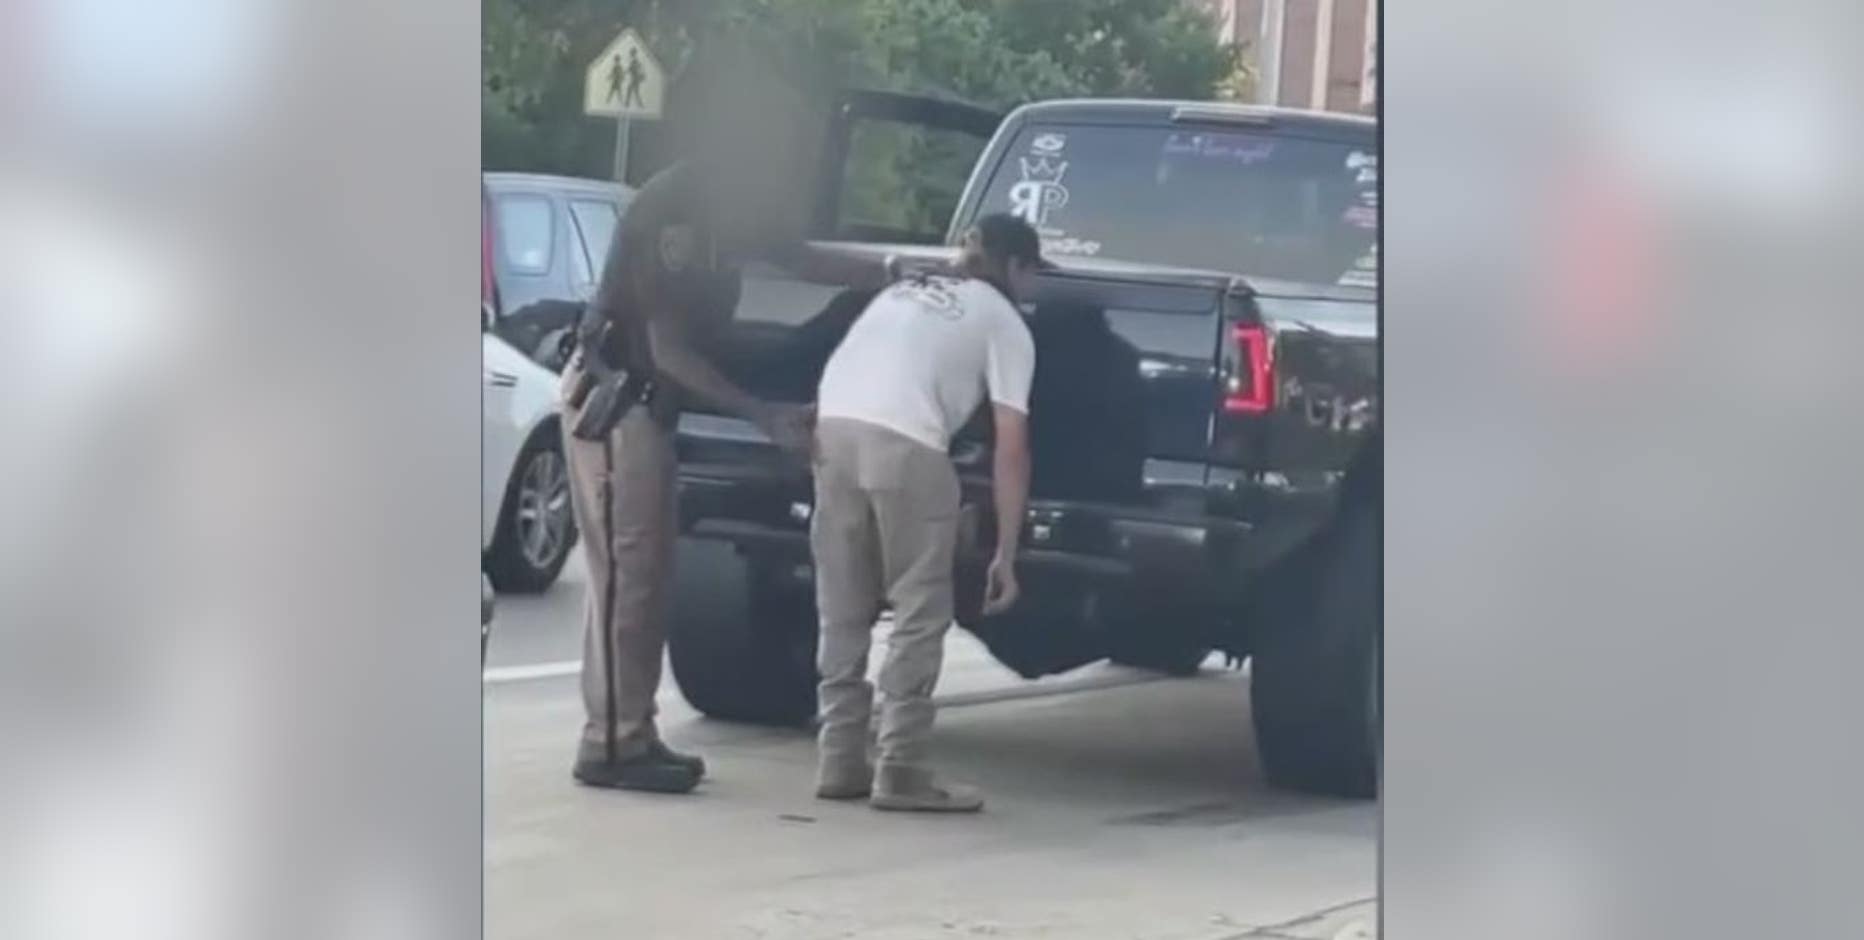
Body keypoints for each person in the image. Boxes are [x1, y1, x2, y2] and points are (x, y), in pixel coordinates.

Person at [562, 160, 883, 794]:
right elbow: (667, 350)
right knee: (627, 579)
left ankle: (633, 728)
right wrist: (763, 415)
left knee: (648, 578)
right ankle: (609, 743)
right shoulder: (675, 208)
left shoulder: (734, 204)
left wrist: (897, 275)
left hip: (647, 410)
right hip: (619, 404)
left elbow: (802, 259)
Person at [809, 213, 1046, 812]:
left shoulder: (900, 290)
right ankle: (903, 768)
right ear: (1017, 267)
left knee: (843, 600)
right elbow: (1011, 443)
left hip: (832, 432)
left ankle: (839, 757)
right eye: (1033, 274)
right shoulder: (1004, 320)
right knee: (919, 608)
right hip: (907, 444)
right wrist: (1007, 552)